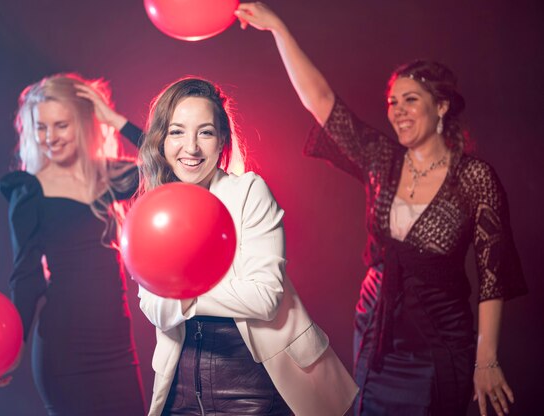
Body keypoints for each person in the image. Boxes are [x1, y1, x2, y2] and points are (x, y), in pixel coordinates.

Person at [235, 3, 528, 416]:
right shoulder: (382, 160)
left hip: (439, 340)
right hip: (377, 328)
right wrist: (280, 30)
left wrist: (487, 360)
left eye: (411, 99)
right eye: (392, 102)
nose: (398, 111)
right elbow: (320, 102)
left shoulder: (473, 177)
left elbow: (492, 276)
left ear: (441, 106)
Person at [136, 77, 359, 416]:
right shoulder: (152, 210)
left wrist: (181, 293)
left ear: (222, 138)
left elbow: (265, 298)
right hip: (179, 393)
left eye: (206, 132)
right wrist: (210, 295)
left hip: (254, 389)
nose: (191, 147)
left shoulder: (248, 193)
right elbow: (156, 309)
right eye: (177, 132)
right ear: (161, 139)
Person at [0, 73, 147, 415]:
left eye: (61, 125)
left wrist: (115, 120)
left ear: (82, 123)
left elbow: (171, 165)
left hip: (117, 344)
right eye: (41, 128)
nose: (50, 137)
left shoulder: (109, 175)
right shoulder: (28, 191)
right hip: (64, 349)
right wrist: (11, 346)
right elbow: (27, 277)